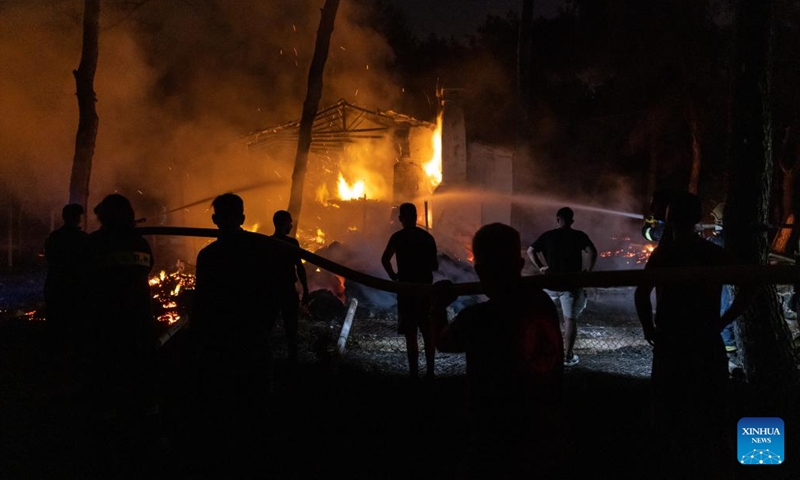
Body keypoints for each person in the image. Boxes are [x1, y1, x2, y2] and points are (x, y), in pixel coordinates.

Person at [432, 223, 565, 478]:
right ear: (519, 263)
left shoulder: (479, 318)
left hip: (497, 439)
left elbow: (442, 342)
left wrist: (437, 307)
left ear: (479, 269)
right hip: (547, 430)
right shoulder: (542, 302)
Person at [634, 191, 751, 477]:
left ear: (670, 219)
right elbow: (749, 286)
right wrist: (723, 321)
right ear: (698, 219)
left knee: (667, 413)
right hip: (705, 342)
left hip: (671, 343)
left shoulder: (665, 255)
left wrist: (649, 327)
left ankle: (672, 465)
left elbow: (641, 293)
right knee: (712, 414)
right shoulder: (711, 253)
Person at [190, 193, 276, 471]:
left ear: (215, 220)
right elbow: (268, 294)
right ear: (243, 219)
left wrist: (198, 338)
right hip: (252, 336)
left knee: (224, 400)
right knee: (254, 400)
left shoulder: (208, 256)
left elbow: (202, 302)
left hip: (221, 339)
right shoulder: (260, 249)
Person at [87, 194, 156, 421]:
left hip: (104, 319)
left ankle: (107, 414)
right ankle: (140, 413)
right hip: (137, 317)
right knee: (137, 369)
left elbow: (83, 278)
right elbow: (146, 269)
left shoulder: (94, 243)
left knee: (107, 369)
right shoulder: (140, 242)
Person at [527, 207, 597, 366]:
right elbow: (592, 252)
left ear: (557, 219)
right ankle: (568, 356)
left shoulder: (548, 235)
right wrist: (588, 272)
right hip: (571, 285)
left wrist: (540, 267)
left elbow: (531, 251)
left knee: (545, 318)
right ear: (572, 221)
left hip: (550, 283)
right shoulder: (578, 235)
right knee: (569, 319)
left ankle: (543, 351)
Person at [381, 202, 438, 380]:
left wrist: (393, 276)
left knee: (411, 334)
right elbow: (434, 266)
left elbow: (385, 259)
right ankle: (430, 372)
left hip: (405, 290)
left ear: (400, 219)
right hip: (425, 290)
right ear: (417, 217)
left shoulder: (397, 237)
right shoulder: (427, 238)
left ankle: (413, 373)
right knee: (428, 333)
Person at [44, 203, 89, 358]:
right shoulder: (83, 239)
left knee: (57, 324)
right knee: (75, 325)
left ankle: (55, 355)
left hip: (56, 285)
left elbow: (50, 258)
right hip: (75, 287)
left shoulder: (54, 237)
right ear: (77, 219)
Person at [269, 210, 309, 370]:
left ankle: (267, 357)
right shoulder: (292, 243)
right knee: (291, 326)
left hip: (271, 290)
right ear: (284, 223)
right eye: (290, 222)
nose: (291, 225)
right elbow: (299, 267)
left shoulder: (267, 242)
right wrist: (305, 289)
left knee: (269, 324)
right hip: (286, 290)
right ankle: (293, 360)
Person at [707, 203, 738, 365]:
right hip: (731, 282)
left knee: (723, 310)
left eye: (715, 219)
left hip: (723, 284)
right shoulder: (739, 240)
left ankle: (729, 354)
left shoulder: (718, 241)